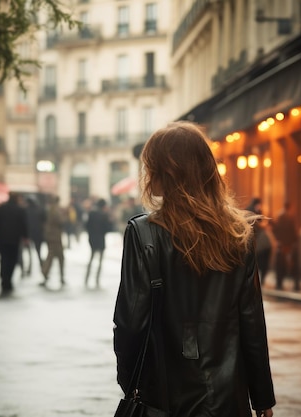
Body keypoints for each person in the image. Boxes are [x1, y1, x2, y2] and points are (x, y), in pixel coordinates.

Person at [113, 121, 276, 417]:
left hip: (164, 397)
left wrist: (131, 383)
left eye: (151, 166)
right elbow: (251, 322)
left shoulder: (144, 234)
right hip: (228, 399)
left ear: (167, 172)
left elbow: (130, 323)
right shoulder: (239, 234)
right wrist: (262, 397)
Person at [0, 192, 28, 295]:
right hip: (14, 240)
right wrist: (25, 237)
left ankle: (4, 279)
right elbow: (23, 224)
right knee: (12, 260)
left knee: (4, 259)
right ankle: (8, 280)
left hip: (2, 239)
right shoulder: (19, 210)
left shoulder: (1, 208)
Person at [84, 198, 113, 288]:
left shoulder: (91, 213)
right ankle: (97, 279)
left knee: (91, 259)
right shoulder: (104, 215)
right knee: (99, 261)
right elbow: (108, 228)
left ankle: (86, 278)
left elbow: (86, 226)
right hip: (100, 240)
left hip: (92, 240)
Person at [271, 202, 299, 290]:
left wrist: (278, 240)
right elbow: (293, 231)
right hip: (287, 244)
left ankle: (280, 283)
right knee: (288, 264)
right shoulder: (289, 217)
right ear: (289, 207)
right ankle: (293, 284)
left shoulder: (280, 216)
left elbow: (275, 229)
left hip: (282, 244)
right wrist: (294, 241)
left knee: (281, 264)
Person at [246, 197, 272, 285]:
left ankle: (259, 280)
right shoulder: (250, 211)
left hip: (256, 241)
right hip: (254, 240)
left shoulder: (255, 211)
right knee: (258, 261)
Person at [40, 195, 65, 287]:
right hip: (55, 238)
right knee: (57, 257)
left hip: (52, 236)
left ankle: (46, 273)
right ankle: (47, 273)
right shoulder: (56, 210)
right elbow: (60, 221)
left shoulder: (51, 209)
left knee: (52, 256)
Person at [25, 197, 46, 272]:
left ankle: (30, 268)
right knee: (38, 251)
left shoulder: (26, 211)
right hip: (38, 234)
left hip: (29, 234)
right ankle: (42, 266)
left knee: (29, 253)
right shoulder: (39, 210)